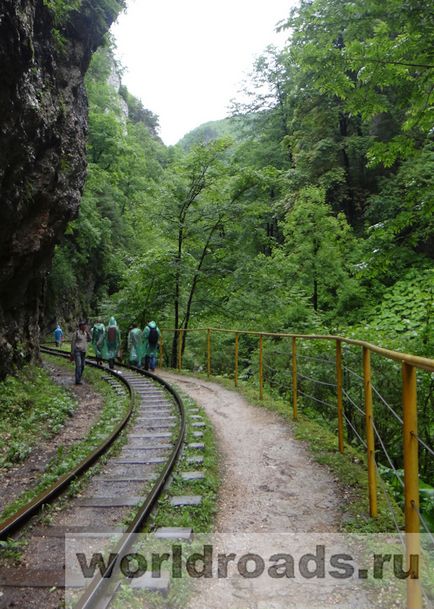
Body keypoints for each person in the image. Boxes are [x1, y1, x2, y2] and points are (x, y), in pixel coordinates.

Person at [70, 320, 91, 385]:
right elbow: (73, 343)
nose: (85, 326)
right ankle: (77, 380)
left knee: (82, 366)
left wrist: (88, 333)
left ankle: (79, 378)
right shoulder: (76, 333)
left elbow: (90, 339)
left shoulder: (85, 333)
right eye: (83, 325)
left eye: (85, 325)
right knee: (78, 365)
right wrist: (72, 353)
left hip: (83, 352)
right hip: (77, 351)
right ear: (80, 326)